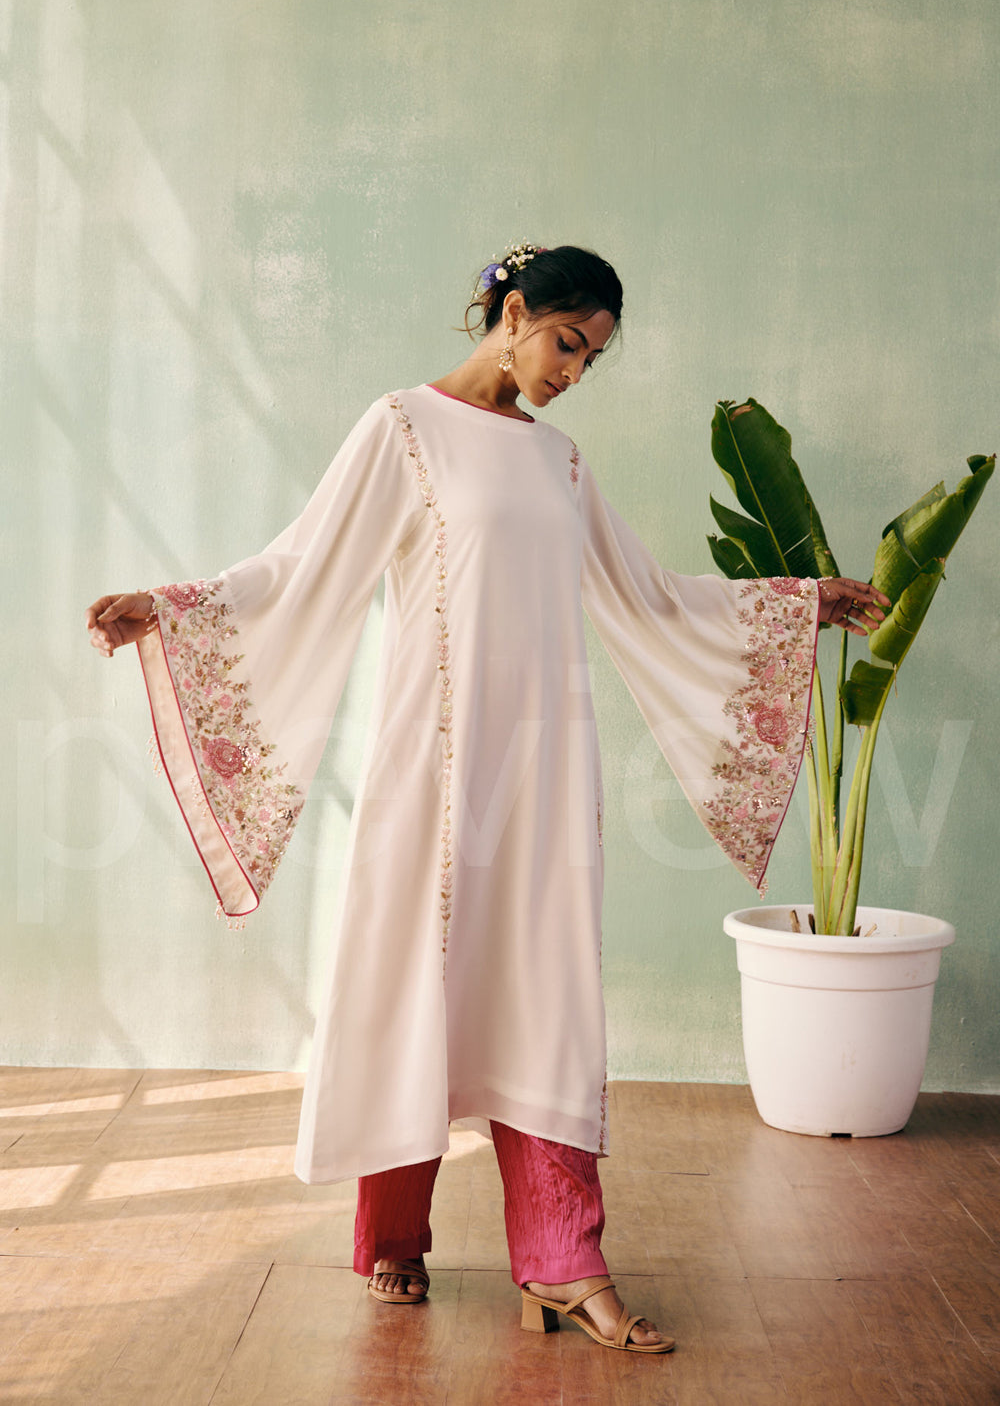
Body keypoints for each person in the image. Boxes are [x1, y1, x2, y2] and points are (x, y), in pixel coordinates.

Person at [86, 243, 887, 1355]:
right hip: (432, 764)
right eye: (567, 342)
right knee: (414, 978)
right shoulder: (402, 427)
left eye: (590, 358)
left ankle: (565, 1259)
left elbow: (651, 596)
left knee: (540, 989)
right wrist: (173, 609)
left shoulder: (561, 463)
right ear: (512, 313)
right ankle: (392, 1232)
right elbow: (303, 565)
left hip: (546, 769)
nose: (573, 371)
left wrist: (796, 604)